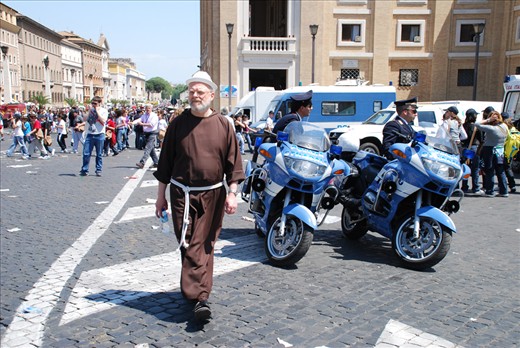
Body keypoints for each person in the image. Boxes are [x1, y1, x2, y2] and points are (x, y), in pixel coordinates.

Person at [153, 71, 244, 322]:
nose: (194, 96)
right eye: (191, 91)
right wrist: (161, 198)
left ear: (211, 96)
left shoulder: (225, 125)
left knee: (202, 244)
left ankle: (199, 297)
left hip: (213, 194)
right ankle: (197, 294)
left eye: (200, 92)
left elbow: (233, 165)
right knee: (186, 242)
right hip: (181, 193)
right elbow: (165, 165)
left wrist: (233, 194)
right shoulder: (177, 125)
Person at [475, 111, 509, 197]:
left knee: (489, 170)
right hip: (500, 149)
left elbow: (477, 124)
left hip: (490, 149)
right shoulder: (504, 126)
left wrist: (488, 119)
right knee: (500, 171)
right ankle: (504, 191)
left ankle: (490, 191)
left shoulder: (491, 128)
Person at [80, 96, 107, 177]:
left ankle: (98, 170)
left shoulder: (104, 111)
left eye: (95, 103)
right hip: (90, 134)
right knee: (86, 153)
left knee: (99, 154)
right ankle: (85, 169)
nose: (93, 105)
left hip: (100, 134)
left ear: (99, 103)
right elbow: (85, 119)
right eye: (92, 103)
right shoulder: (90, 111)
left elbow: (103, 120)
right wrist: (89, 111)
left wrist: (97, 111)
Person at [461, 108, 484, 194]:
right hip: (474, 148)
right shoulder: (477, 127)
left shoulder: (463, 126)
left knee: (465, 168)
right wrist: (479, 151)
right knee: (475, 169)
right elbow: (482, 140)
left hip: (465, 148)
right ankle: (475, 187)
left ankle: (464, 187)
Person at [136, 104, 159, 169]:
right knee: (151, 149)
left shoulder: (154, 116)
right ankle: (156, 162)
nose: (147, 109)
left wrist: (142, 124)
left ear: (151, 109)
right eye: (146, 108)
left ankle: (142, 162)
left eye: (148, 108)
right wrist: (132, 123)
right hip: (146, 133)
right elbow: (139, 119)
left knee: (148, 148)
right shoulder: (144, 115)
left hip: (152, 133)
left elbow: (151, 124)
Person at [502, 112, 517, 193]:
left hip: (503, 150)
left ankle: (503, 185)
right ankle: (512, 185)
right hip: (511, 151)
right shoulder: (513, 127)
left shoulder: (503, 127)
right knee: (508, 168)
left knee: (501, 169)